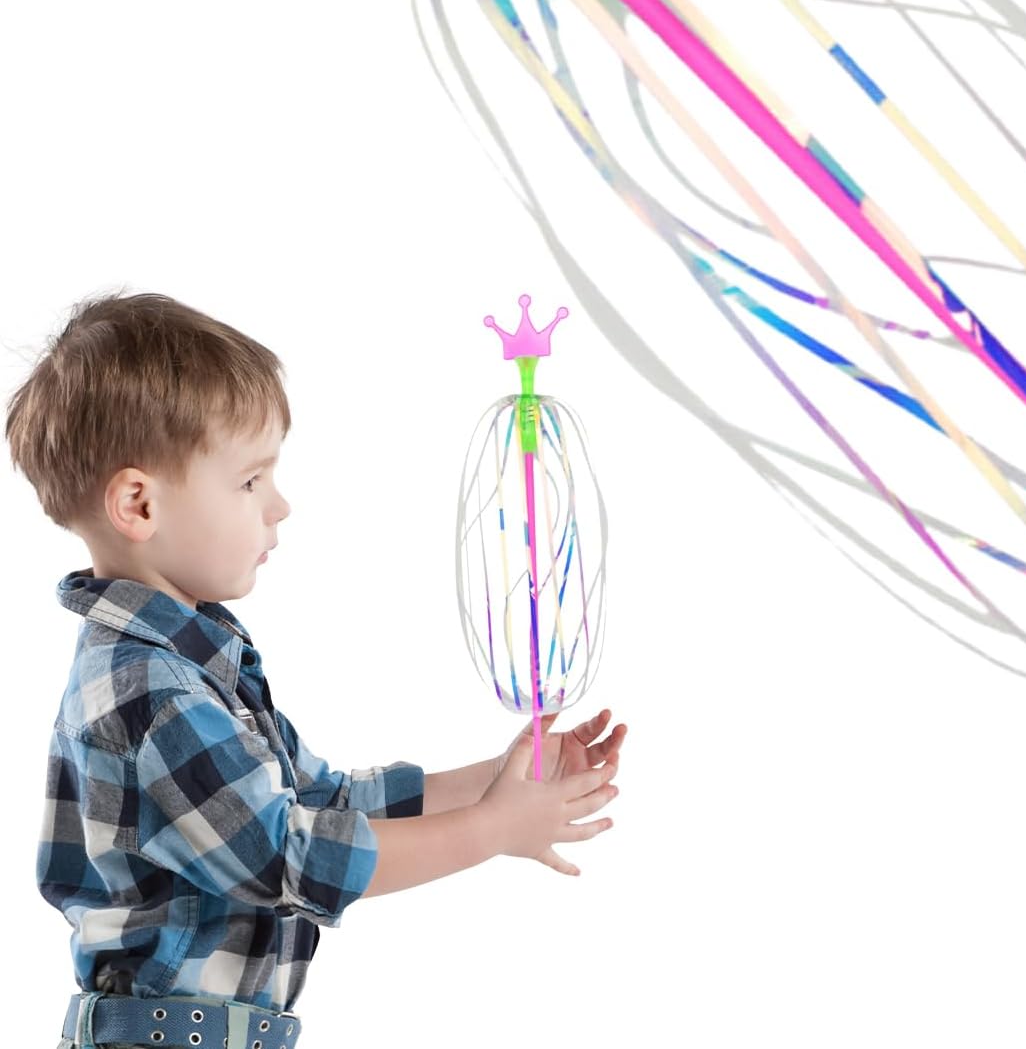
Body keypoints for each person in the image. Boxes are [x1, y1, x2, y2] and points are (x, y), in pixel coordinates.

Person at [6, 289, 626, 1049]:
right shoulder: (151, 694)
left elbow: (319, 801)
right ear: (139, 505)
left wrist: (494, 779)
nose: (279, 506)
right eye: (249, 481)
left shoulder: (197, 665)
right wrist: (492, 828)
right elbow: (286, 856)